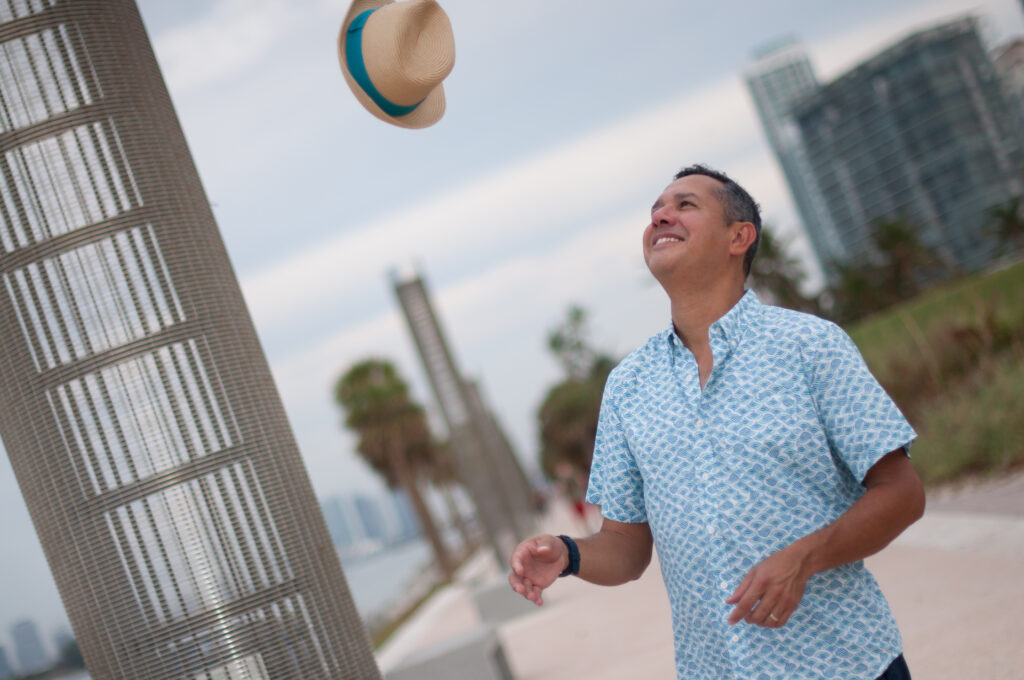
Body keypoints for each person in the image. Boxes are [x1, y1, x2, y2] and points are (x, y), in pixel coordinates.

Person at [508, 165, 925, 679]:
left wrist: (803, 557)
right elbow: (626, 548)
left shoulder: (809, 345)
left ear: (738, 237)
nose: (662, 215)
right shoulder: (627, 387)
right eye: (657, 209)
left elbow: (902, 492)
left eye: (686, 205)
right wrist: (569, 554)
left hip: (846, 664)